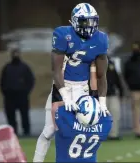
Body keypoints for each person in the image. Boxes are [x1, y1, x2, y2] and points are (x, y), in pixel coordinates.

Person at [33, 3, 109, 162]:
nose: (88, 26)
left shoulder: (101, 39)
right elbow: (56, 70)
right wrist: (65, 97)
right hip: (62, 86)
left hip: (83, 89)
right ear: (73, 21)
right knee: (49, 131)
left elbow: (101, 76)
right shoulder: (63, 35)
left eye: (92, 21)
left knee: (86, 129)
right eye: (84, 22)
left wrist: (102, 101)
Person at [55, 95, 112, 162]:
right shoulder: (106, 124)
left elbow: (56, 106)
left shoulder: (67, 123)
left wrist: (69, 101)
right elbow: (106, 116)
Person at [0, 49, 35, 136]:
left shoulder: (24, 67)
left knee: (24, 114)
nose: (15, 55)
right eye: (14, 54)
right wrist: (5, 92)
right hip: (9, 96)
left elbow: (30, 80)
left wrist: (26, 91)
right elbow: (2, 82)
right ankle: (13, 131)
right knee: (10, 115)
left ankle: (26, 132)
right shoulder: (7, 68)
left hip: (22, 95)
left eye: (17, 54)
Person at [106, 56, 123, 140]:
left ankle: (114, 134)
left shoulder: (110, 63)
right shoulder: (93, 63)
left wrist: (121, 91)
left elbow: (117, 79)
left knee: (115, 114)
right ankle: (100, 135)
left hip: (112, 93)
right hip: (99, 95)